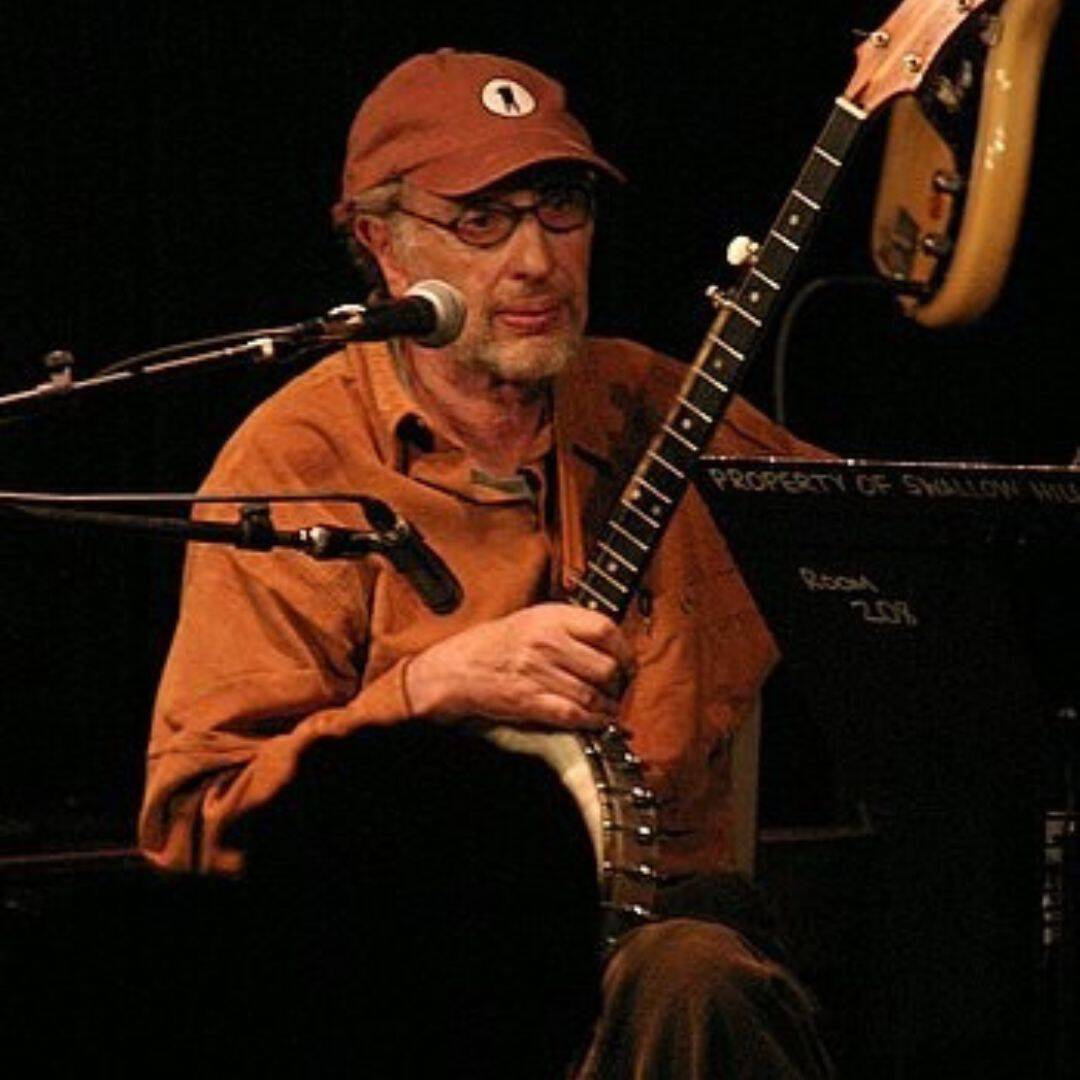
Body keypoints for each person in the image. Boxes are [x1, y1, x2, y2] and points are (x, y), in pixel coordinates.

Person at [140, 48, 835, 1077]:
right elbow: (197, 825)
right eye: (480, 221)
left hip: (662, 967)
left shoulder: (659, 407)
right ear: (380, 245)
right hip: (408, 984)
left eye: (561, 210)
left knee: (698, 974)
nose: (535, 263)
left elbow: (887, 556)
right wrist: (426, 692)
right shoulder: (297, 461)